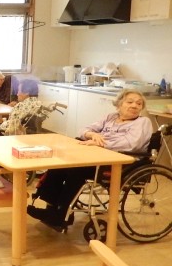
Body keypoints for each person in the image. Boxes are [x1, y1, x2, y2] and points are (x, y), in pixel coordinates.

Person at [27, 89, 153, 230]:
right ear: (119, 104)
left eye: (139, 104)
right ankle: (51, 207)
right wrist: (92, 134)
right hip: (97, 156)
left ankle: (61, 214)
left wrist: (102, 143)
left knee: (76, 170)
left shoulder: (143, 122)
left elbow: (131, 144)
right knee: (60, 165)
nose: (134, 105)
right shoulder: (110, 117)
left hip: (120, 162)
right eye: (130, 102)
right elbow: (84, 130)